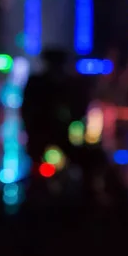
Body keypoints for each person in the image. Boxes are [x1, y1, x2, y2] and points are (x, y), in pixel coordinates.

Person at [21, 49, 92, 199]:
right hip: (45, 138)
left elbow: (79, 111)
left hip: (58, 138)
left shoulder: (66, 84)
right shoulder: (45, 84)